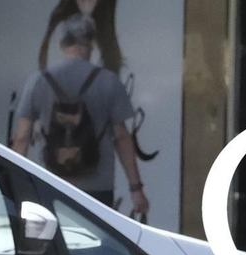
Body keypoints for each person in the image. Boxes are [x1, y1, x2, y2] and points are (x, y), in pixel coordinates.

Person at [11, 14, 149, 219]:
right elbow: (121, 138)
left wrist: (15, 185)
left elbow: (22, 138)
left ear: (62, 43)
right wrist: (136, 189)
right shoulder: (109, 82)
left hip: (52, 183)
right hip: (98, 187)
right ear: (91, 44)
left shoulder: (38, 81)